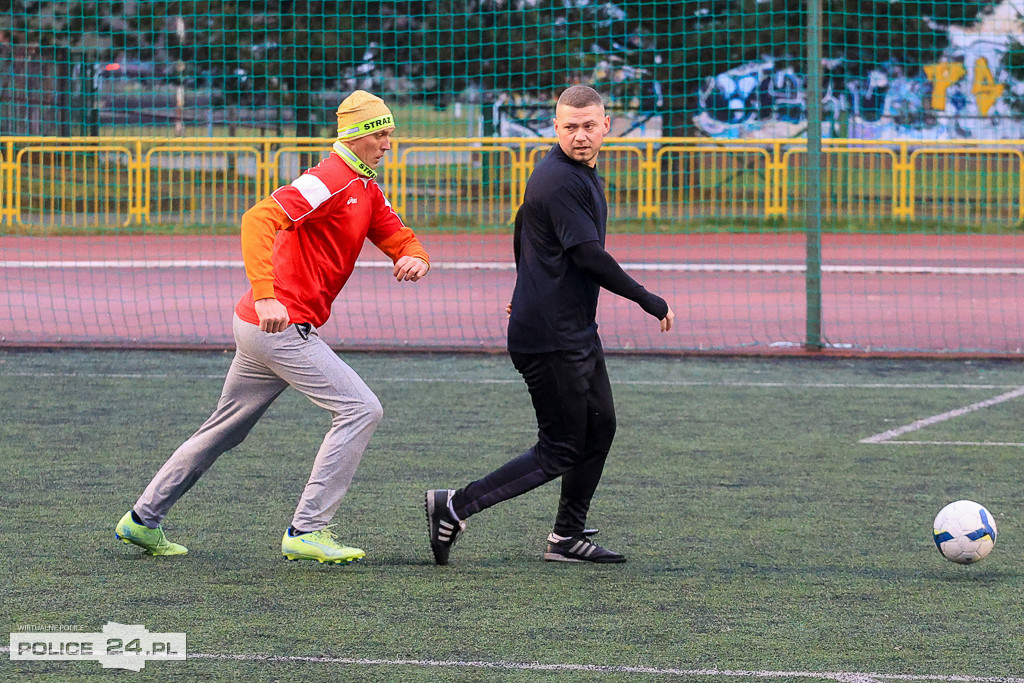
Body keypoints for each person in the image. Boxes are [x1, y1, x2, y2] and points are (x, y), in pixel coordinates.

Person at [115, 90, 430, 565]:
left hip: (260, 328)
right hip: (278, 325)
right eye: (380, 134)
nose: (388, 144)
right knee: (361, 409)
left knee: (223, 430)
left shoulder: (365, 187)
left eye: (390, 134)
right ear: (355, 136)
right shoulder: (329, 179)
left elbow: (396, 234)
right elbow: (257, 218)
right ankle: (308, 529)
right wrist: (266, 295)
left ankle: (142, 519)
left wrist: (415, 256)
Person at [425, 85, 674, 565]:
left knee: (600, 427)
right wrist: (648, 299)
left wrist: (526, 288)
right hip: (551, 336)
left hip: (571, 327)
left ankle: (566, 537)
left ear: (606, 126)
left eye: (589, 126)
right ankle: (454, 505)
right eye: (570, 127)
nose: (580, 136)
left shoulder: (577, 173)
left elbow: (524, 227)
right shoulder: (558, 179)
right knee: (560, 448)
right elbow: (588, 256)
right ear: (555, 127)